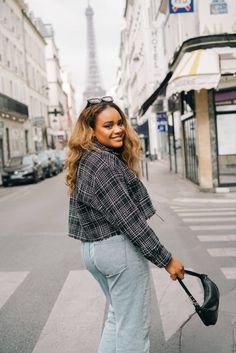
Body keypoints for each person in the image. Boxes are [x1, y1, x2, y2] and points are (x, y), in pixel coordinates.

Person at [65, 96, 184, 353]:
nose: (118, 129)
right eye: (108, 125)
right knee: (133, 330)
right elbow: (130, 221)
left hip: (93, 250)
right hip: (118, 250)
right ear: (91, 130)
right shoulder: (104, 163)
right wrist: (167, 259)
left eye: (120, 123)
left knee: (118, 317)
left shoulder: (87, 159)